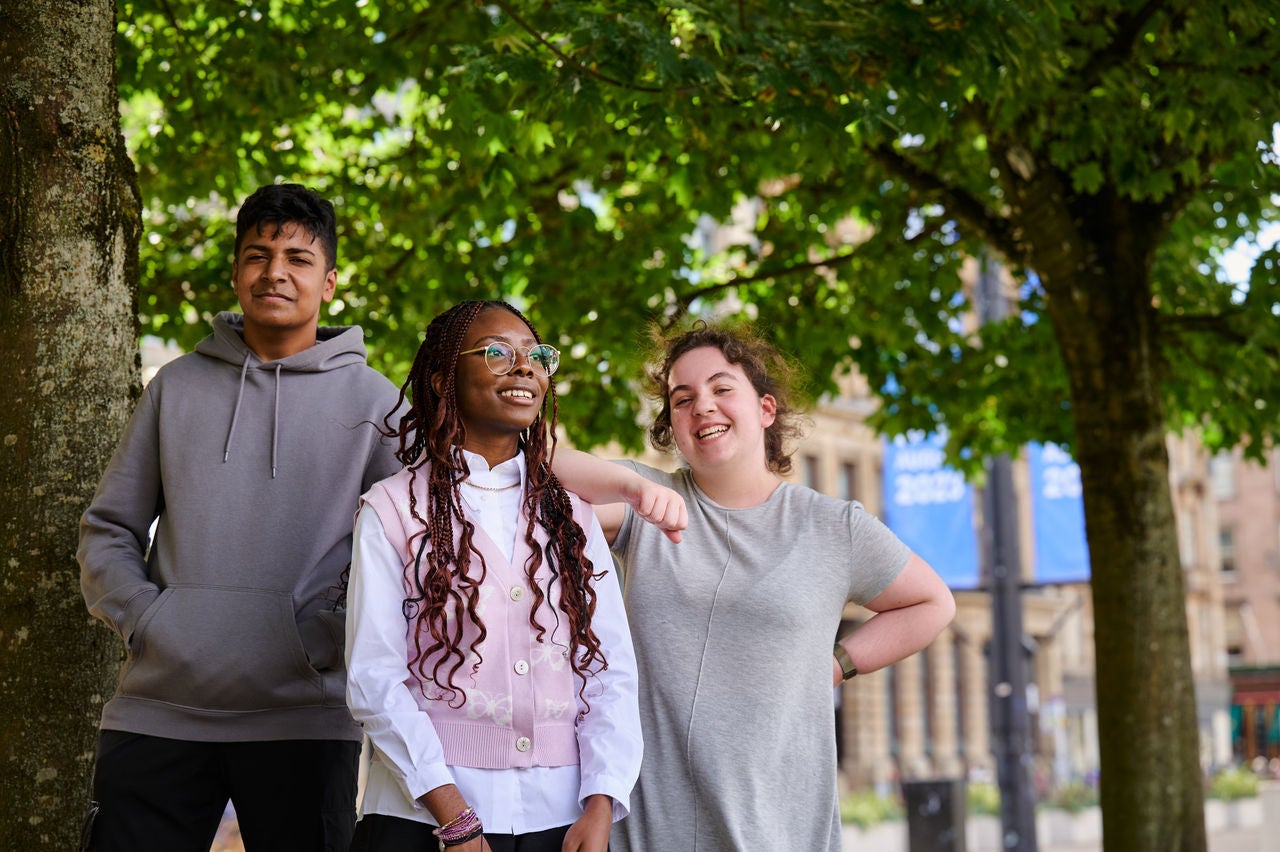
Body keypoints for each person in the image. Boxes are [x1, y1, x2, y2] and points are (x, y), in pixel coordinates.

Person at [77, 183, 404, 851]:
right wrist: (148, 619)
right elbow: (109, 528)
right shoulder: (176, 387)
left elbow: (407, 556)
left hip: (304, 716)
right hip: (160, 710)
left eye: (297, 258)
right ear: (235, 273)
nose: (274, 272)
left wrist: (324, 636)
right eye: (257, 255)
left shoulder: (378, 405)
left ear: (331, 282)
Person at [557, 321, 957, 851]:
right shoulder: (643, 501)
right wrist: (630, 486)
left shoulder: (833, 526)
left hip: (782, 832)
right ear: (672, 428)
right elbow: (536, 462)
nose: (703, 405)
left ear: (766, 410)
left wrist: (835, 665)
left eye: (722, 388)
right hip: (652, 835)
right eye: (683, 399)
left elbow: (933, 603)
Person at [345, 300, 657, 852]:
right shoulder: (392, 510)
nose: (524, 367)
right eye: (496, 353)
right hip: (425, 820)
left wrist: (602, 801)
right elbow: (374, 679)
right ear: (443, 380)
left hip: (562, 820)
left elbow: (610, 672)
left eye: (536, 356)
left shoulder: (571, 516)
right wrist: (454, 815)